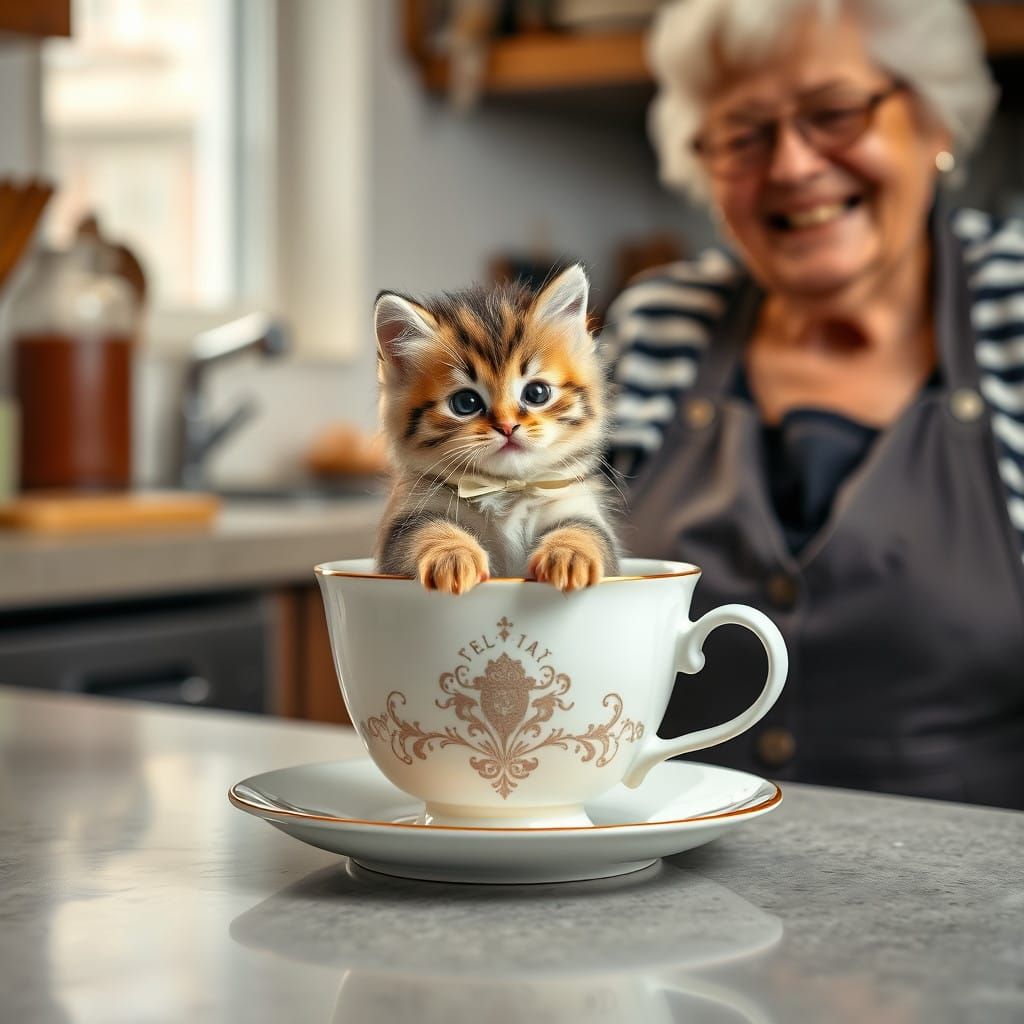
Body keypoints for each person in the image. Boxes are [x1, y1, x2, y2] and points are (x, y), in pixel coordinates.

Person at [602, 0, 1024, 809]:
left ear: (933, 121)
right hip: (667, 895)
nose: (792, 166)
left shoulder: (1015, 308)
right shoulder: (659, 324)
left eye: (832, 113)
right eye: (744, 134)